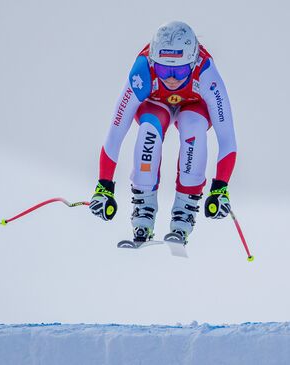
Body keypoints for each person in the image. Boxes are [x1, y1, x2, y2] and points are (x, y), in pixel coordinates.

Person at [89, 21, 237, 244]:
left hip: (193, 106)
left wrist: (220, 188)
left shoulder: (206, 72)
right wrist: (104, 185)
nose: (171, 78)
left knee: (194, 129)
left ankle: (184, 216)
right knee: (149, 128)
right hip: (155, 104)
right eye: (163, 69)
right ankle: (143, 215)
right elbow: (115, 132)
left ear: (193, 62)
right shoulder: (143, 71)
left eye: (178, 70)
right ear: (152, 63)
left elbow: (227, 138)